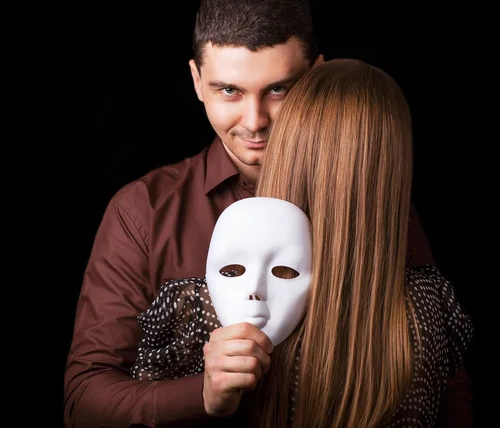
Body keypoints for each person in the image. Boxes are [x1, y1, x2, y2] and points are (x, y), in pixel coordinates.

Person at [63, 1, 473, 426]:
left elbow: (444, 377)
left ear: (315, 77)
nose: (255, 121)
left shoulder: (371, 201)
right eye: (229, 90)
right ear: (197, 81)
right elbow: (84, 400)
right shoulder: (143, 213)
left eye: (278, 89)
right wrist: (201, 394)